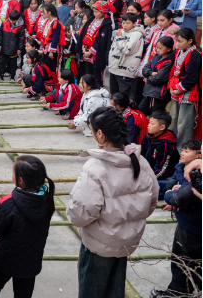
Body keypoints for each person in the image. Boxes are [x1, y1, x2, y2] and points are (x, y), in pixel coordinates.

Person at [67, 106, 159, 298]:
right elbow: (152, 200)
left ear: (100, 134)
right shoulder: (139, 161)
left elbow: (81, 213)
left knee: (92, 290)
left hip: (99, 243)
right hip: (126, 242)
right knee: (115, 288)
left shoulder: (95, 167)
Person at [0, 155, 55, 297]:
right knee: (23, 293)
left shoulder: (8, 203)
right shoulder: (47, 199)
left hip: (5, 259)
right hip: (31, 261)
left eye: (13, 173)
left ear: (21, 180)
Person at [152, 143, 203, 296]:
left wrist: (170, 195)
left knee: (183, 263)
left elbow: (178, 198)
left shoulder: (198, 170)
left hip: (192, 227)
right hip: (192, 222)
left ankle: (177, 293)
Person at [168, 28, 201, 151]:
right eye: (176, 41)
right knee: (174, 119)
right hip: (177, 89)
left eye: (180, 41)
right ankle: (171, 147)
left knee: (184, 124)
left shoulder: (195, 54)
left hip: (188, 91)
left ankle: (183, 151)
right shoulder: (180, 51)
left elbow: (192, 76)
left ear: (190, 40)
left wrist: (179, 88)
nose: (177, 44)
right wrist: (173, 87)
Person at [140, 110, 179, 194]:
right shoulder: (147, 137)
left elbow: (162, 170)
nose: (148, 126)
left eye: (152, 124)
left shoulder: (166, 144)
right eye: (149, 122)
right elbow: (140, 156)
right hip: (147, 174)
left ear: (162, 127)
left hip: (162, 178)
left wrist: (147, 178)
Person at [107, 13, 144, 100]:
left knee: (123, 96)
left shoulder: (137, 34)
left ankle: (123, 113)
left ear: (134, 23)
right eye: (123, 23)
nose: (125, 25)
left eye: (128, 23)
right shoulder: (121, 31)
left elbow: (127, 50)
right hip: (114, 68)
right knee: (113, 93)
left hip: (125, 70)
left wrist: (119, 38)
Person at [78, 1, 112, 87]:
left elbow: (102, 41)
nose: (94, 13)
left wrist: (90, 51)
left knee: (95, 75)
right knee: (87, 73)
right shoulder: (91, 20)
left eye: (97, 12)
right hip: (85, 51)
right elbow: (84, 34)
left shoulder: (106, 24)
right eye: (94, 11)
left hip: (95, 54)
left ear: (103, 12)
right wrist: (82, 48)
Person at [139, 36, 175, 115]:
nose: (158, 50)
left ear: (168, 49)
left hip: (159, 94)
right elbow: (144, 70)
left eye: (160, 48)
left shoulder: (169, 63)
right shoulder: (156, 57)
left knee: (156, 117)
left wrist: (147, 79)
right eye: (157, 47)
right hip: (149, 91)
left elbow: (157, 79)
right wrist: (151, 73)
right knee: (140, 113)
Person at [0, 9, 24, 81]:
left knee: (13, 64)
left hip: (14, 48)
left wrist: (19, 48)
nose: (11, 22)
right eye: (10, 19)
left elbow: (21, 38)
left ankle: (12, 77)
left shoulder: (20, 26)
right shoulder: (4, 23)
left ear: (17, 19)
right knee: (2, 63)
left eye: (13, 20)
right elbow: (0, 35)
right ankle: (1, 76)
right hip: (4, 46)